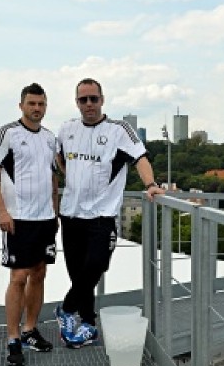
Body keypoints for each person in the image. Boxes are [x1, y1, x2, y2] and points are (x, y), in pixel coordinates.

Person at [54, 78, 164, 348]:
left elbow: (140, 158)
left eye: (93, 99)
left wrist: (150, 185)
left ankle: (66, 310)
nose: (89, 104)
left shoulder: (119, 130)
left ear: (102, 100)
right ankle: (88, 326)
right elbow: (57, 158)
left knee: (95, 266)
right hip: (70, 215)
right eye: (83, 100)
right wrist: (70, 177)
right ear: (76, 102)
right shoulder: (66, 128)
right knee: (79, 275)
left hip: (102, 216)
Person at [0, 82, 60, 366]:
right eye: (32, 104)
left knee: (39, 273)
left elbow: (54, 177)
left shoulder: (50, 138)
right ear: (21, 106)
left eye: (41, 104)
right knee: (18, 276)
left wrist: (55, 211)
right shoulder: (8, 133)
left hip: (45, 218)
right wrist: (1, 211)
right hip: (18, 218)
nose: (37, 109)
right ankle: (13, 338)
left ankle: (30, 329)